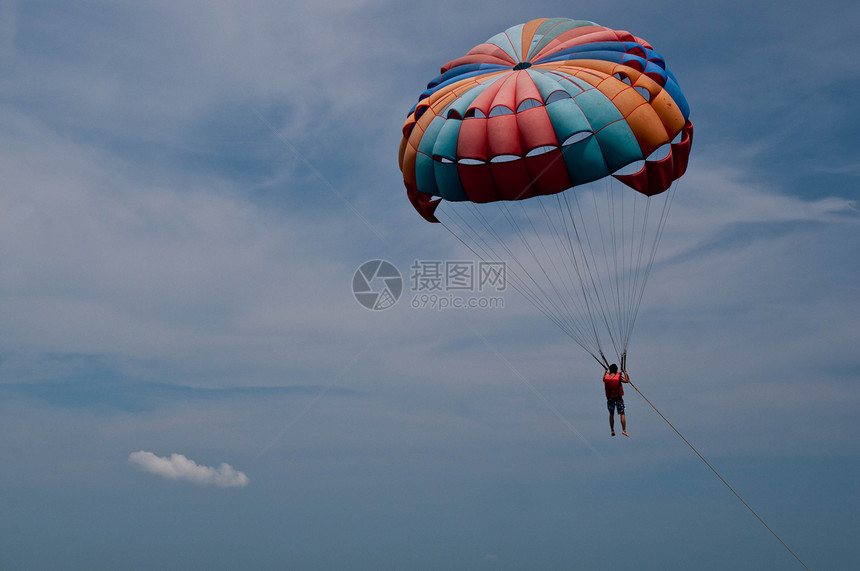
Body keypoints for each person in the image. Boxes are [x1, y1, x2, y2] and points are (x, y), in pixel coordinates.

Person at [603, 363, 630, 436]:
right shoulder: (618, 377)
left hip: (610, 399)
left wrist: (606, 371)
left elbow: (603, 379)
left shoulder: (606, 377)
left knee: (611, 413)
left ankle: (612, 430)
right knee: (622, 413)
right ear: (616, 370)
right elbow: (627, 380)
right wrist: (624, 371)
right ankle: (624, 430)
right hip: (618, 398)